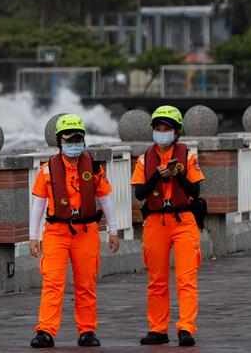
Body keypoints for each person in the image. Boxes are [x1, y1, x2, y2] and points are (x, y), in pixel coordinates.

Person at [28, 114, 122, 348]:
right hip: (56, 232)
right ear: (60, 142)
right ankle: (45, 330)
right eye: (69, 140)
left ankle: (87, 331)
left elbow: (106, 199)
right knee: (52, 282)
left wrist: (113, 230)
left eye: (77, 139)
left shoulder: (95, 169)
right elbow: (38, 203)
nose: (73, 144)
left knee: (86, 283)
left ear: (84, 140)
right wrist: (33, 236)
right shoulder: (47, 170)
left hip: (86, 232)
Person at [131, 105, 205, 347]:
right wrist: (156, 176)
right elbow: (140, 194)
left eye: (167, 129)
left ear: (176, 133)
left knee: (186, 278)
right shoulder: (144, 160)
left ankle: (186, 327)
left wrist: (177, 175)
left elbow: (195, 190)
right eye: (158, 128)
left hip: (183, 220)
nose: (162, 133)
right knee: (157, 280)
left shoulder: (188, 157)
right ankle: (158, 329)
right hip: (155, 221)